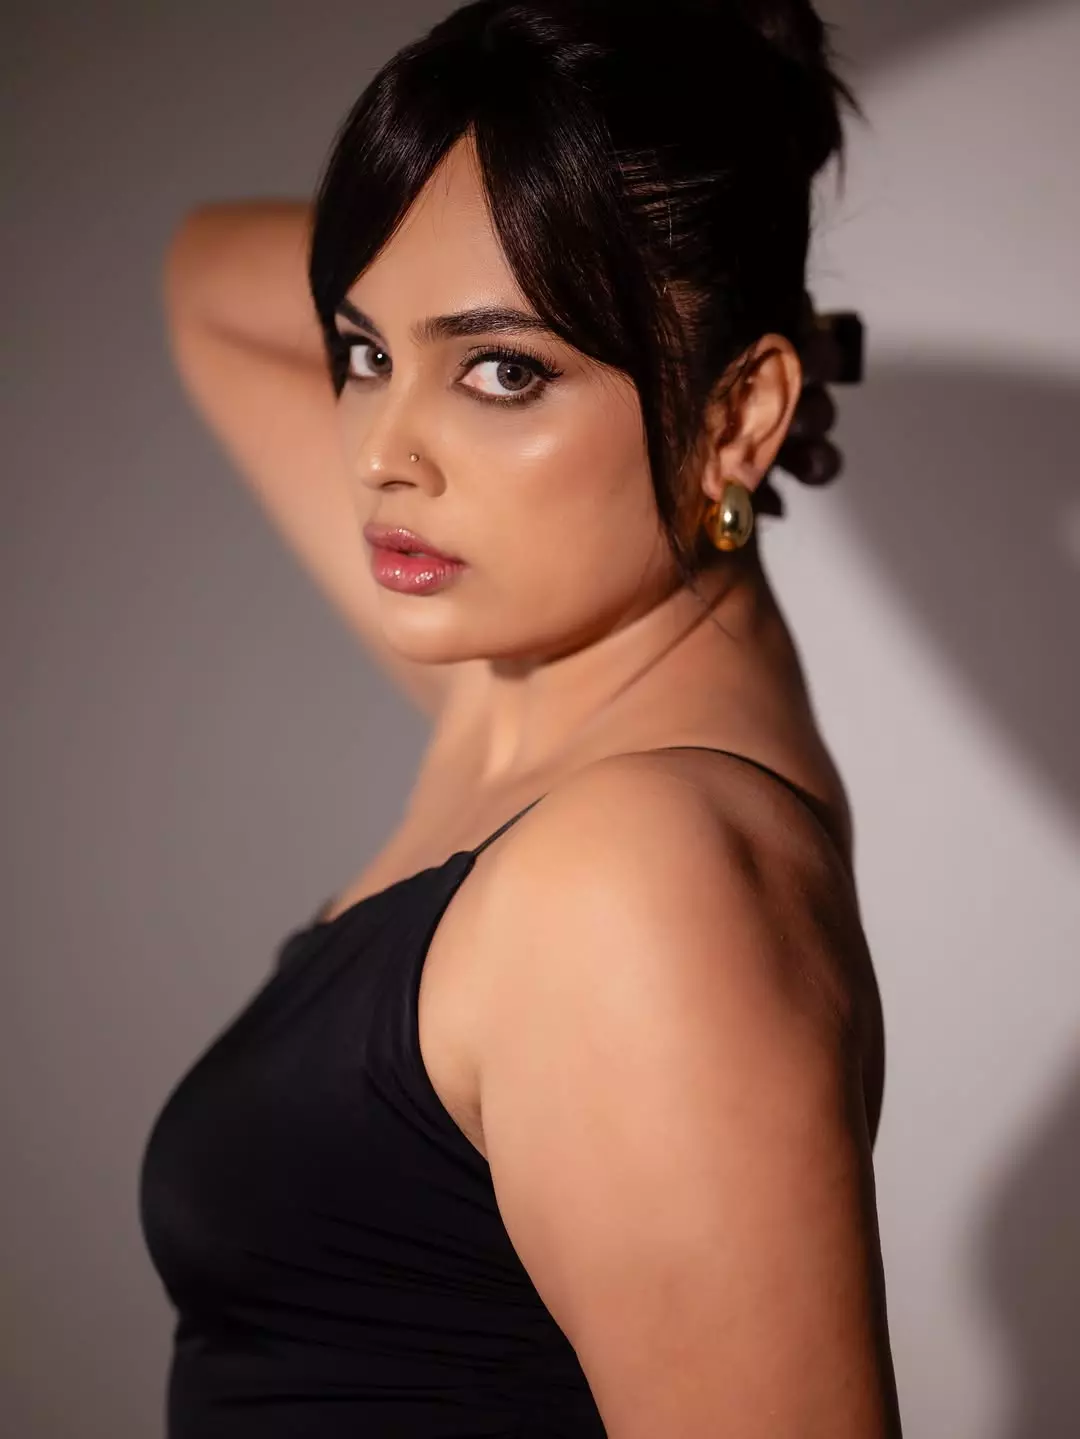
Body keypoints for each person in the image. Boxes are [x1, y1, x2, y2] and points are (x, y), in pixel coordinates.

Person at [139, 1, 903, 1435]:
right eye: (364, 352)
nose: (383, 453)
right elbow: (207, 279)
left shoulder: (640, 872)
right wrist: (556, 251)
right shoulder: (530, 697)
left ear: (743, 417)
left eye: (504, 370)